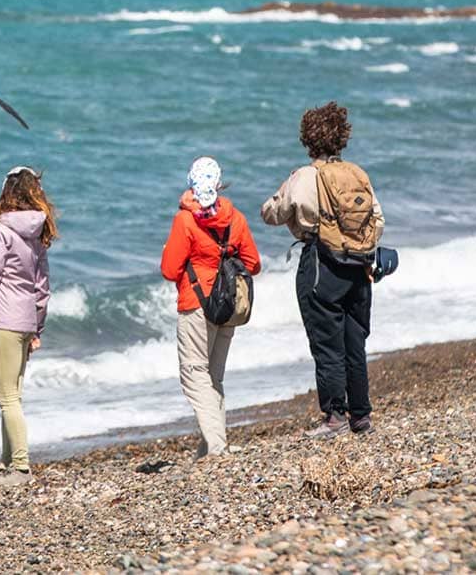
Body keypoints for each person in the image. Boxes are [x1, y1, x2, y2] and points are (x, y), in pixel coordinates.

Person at [261, 102, 384, 438]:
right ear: (341, 137)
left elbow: (274, 212)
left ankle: (334, 417)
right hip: (359, 266)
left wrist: (279, 208)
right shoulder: (357, 174)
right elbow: (379, 219)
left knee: (327, 344)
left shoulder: (305, 176)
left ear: (307, 140)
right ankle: (361, 416)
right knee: (355, 342)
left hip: (321, 265)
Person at [160, 157, 261, 459]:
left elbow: (169, 269)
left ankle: (217, 447)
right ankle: (209, 447)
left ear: (190, 183)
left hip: (196, 304)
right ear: (218, 183)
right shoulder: (235, 218)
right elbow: (254, 264)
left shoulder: (185, 220)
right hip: (227, 304)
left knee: (194, 375)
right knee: (212, 377)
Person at [0, 166, 55, 486]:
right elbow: (42, 286)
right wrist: (38, 327)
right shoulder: (38, 232)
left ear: (6, 192)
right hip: (25, 320)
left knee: (6, 397)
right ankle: (7, 464)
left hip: (3, 320)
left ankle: (20, 466)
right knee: (13, 394)